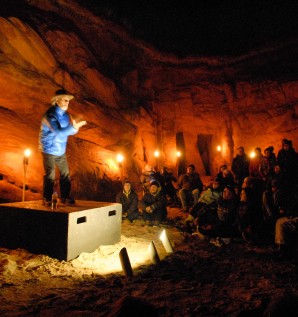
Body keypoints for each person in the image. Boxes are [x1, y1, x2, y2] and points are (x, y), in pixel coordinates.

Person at [39, 89, 87, 205]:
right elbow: (59, 132)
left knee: (65, 173)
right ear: (57, 101)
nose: (67, 102)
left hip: (60, 150)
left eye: (68, 100)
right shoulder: (49, 116)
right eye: (64, 100)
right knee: (50, 174)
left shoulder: (66, 116)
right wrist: (73, 128)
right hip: (48, 149)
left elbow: (67, 132)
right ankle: (47, 198)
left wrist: (74, 128)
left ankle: (64, 197)